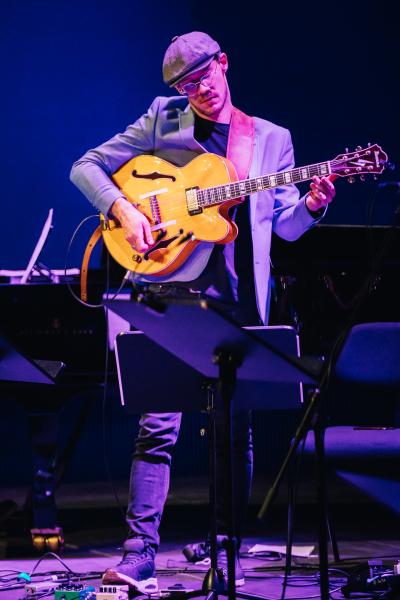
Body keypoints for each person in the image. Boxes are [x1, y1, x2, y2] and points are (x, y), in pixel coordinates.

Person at [70, 31, 336, 593]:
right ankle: (139, 553)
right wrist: (125, 210)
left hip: (237, 298)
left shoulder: (270, 139)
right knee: (157, 427)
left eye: (205, 76)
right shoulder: (161, 119)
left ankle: (226, 544)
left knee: (233, 431)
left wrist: (311, 207)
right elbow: (86, 167)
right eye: (187, 86)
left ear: (224, 64)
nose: (200, 91)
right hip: (168, 292)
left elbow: (284, 227)